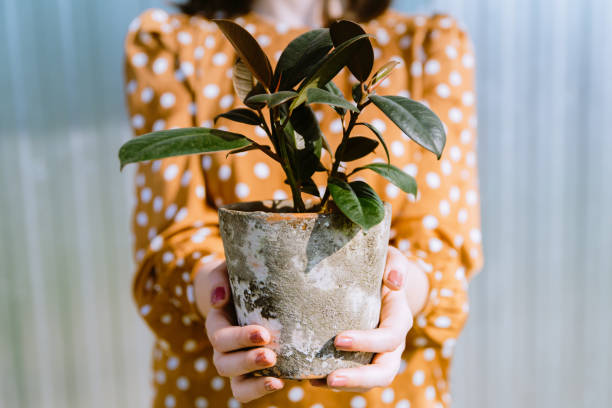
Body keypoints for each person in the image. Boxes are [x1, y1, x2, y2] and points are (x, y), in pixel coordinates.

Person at [124, 0, 483, 406]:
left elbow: (441, 248)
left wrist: (399, 295)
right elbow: (173, 240)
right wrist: (219, 295)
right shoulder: (176, 44)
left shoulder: (425, 45)